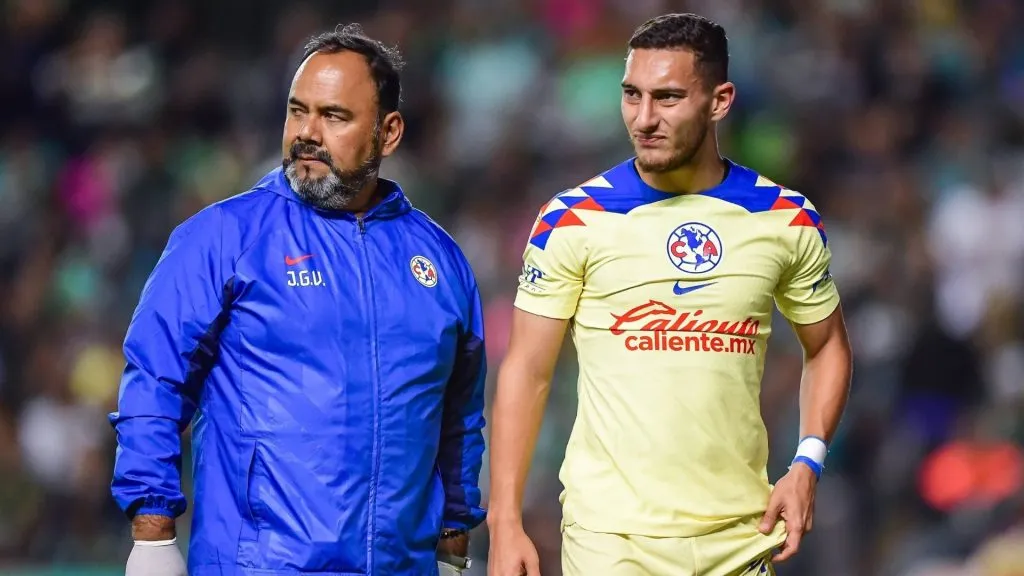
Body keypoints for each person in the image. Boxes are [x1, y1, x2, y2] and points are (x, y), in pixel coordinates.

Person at [109, 24, 486, 576]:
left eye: (334, 116)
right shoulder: (220, 239)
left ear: (389, 133)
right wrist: (152, 536)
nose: (307, 132)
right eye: (297, 111)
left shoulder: (442, 261)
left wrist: (454, 545)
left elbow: (457, 417)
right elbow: (154, 382)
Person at [486, 13, 853, 576]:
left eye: (669, 98)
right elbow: (527, 370)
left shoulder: (785, 218)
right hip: (613, 539)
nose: (644, 118)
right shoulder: (574, 218)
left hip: (741, 532)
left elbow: (826, 346)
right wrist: (505, 521)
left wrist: (807, 462)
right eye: (632, 96)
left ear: (720, 100)